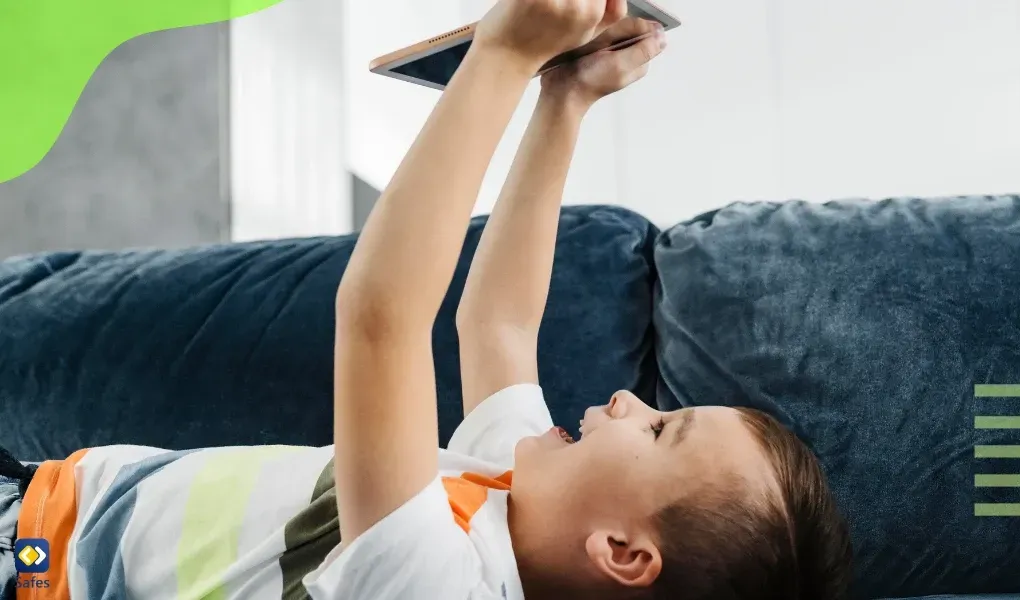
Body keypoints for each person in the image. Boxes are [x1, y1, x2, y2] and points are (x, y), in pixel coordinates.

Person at [0, 1, 852, 598]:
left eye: (663, 429)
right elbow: (499, 323)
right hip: (52, 501)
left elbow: (382, 323)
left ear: (624, 554)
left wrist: (501, 57)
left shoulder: (443, 589)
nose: (632, 401)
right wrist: (564, 99)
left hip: (37, 566)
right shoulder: (508, 485)